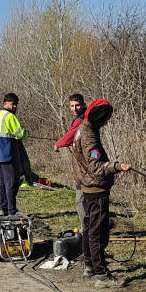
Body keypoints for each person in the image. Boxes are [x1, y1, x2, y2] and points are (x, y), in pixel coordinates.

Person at [70, 99, 130, 287]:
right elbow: (95, 166)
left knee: (89, 228)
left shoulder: (82, 128)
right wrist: (117, 166)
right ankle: (101, 274)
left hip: (87, 187)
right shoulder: (89, 136)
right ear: (99, 116)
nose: (106, 122)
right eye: (106, 118)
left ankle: (89, 265)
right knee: (98, 232)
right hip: (95, 189)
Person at [0, 93, 28, 215]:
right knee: (12, 183)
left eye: (16, 104)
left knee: (2, 183)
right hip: (8, 154)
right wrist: (27, 133)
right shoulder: (10, 117)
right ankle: (11, 210)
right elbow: (20, 133)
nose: (15, 106)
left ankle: (3, 208)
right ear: (5, 103)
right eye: (13, 104)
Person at [55, 93, 87, 226]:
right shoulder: (87, 117)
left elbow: (70, 136)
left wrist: (58, 144)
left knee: (80, 201)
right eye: (72, 106)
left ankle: (87, 230)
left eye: (77, 105)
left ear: (83, 104)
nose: (75, 108)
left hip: (84, 166)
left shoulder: (80, 120)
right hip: (86, 164)